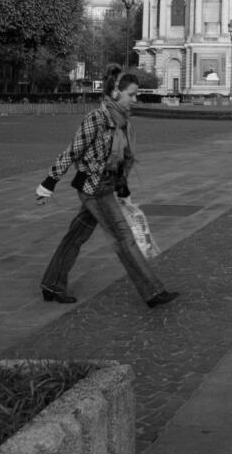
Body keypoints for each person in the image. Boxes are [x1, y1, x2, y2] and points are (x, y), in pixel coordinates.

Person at [36, 65, 179, 309]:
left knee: (75, 236)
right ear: (115, 93)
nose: (135, 99)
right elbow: (72, 151)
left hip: (106, 185)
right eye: (131, 94)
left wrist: (123, 189)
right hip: (95, 188)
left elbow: (121, 159)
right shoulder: (97, 118)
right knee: (124, 238)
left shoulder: (122, 121)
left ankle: (52, 284)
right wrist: (48, 184)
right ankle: (153, 291)